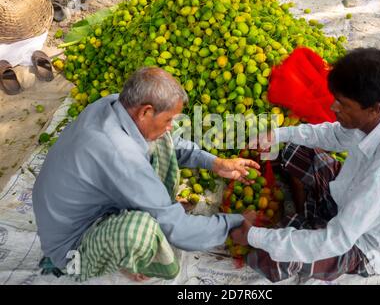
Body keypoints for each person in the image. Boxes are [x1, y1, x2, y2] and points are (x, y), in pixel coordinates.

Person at [33, 67, 259, 282]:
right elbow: (179, 230)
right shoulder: (119, 153)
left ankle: (157, 205)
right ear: (146, 112)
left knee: (162, 138)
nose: (171, 125)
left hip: (88, 206)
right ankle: (128, 258)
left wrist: (215, 163)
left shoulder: (114, 103)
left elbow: (173, 142)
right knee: (141, 232)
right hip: (72, 250)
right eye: (168, 119)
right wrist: (235, 224)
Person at [231, 48, 380, 283]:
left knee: (271, 256)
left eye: (343, 104)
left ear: (374, 109)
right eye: (336, 99)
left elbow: (337, 239)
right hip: (351, 198)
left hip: (367, 243)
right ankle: (307, 222)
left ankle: (303, 226)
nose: (333, 108)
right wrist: (277, 135)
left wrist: (254, 236)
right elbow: (335, 136)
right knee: (290, 148)